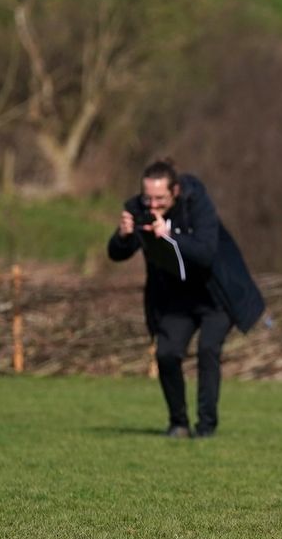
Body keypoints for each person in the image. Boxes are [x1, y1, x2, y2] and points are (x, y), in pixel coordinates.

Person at [108, 160, 265, 438]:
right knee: (166, 353)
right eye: (148, 198)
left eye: (160, 198)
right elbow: (118, 253)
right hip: (176, 299)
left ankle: (206, 426)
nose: (153, 205)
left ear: (175, 191)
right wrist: (123, 236)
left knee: (208, 350)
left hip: (216, 295)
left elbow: (205, 252)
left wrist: (172, 237)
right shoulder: (140, 210)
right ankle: (178, 423)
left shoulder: (198, 206)